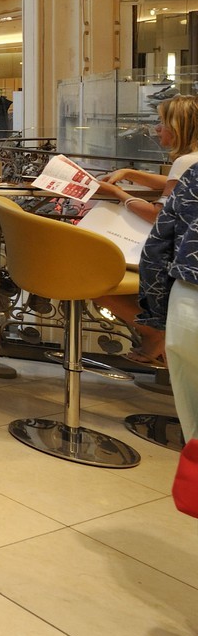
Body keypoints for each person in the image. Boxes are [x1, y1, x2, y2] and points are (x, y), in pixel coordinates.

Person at [90, 94, 198, 365]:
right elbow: (175, 182)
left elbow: (158, 215)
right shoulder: (191, 162)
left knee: (92, 278)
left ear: (179, 127)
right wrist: (130, 174)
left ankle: (154, 331)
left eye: (162, 122)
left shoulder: (186, 162)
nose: (157, 129)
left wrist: (117, 193)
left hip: (175, 263)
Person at [140, 163, 198, 439]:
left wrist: (159, 320)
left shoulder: (195, 171)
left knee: (194, 433)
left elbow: (156, 248)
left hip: (188, 298)